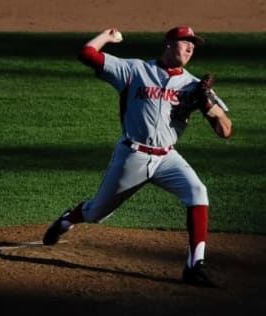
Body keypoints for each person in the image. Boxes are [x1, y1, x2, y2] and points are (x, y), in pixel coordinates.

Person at [43, 26, 233, 287]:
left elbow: (226, 131)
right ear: (168, 44)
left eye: (193, 44)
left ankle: (195, 265)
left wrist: (208, 106)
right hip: (133, 155)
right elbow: (87, 54)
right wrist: (107, 37)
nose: (190, 47)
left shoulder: (193, 84)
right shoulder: (134, 70)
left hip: (168, 158)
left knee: (198, 192)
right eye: (185, 42)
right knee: (98, 212)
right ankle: (69, 219)